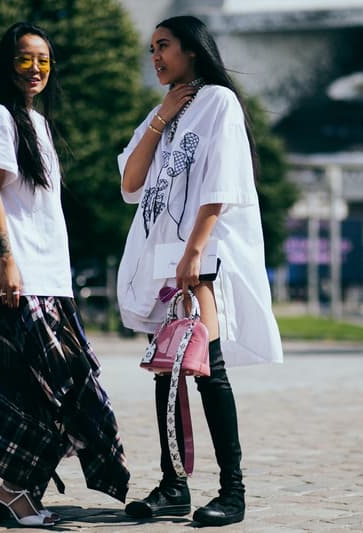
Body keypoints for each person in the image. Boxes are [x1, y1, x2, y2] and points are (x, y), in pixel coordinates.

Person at [116, 15, 284, 527]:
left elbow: (222, 182)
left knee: (209, 368)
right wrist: (161, 119)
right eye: (151, 48)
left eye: (164, 46)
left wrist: (194, 251)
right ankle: (173, 486)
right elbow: (130, 182)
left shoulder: (218, 102)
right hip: (163, 260)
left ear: (192, 49)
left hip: (198, 258)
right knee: (166, 372)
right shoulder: (163, 111)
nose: (155, 57)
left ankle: (233, 492)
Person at [0, 22, 129, 527]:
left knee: (65, 388)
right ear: (6, 63)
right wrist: (7, 262)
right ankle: (13, 496)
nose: (35, 68)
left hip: (49, 279)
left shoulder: (35, 123)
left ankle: (20, 495)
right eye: (24, 58)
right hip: (13, 279)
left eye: (43, 60)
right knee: (28, 391)